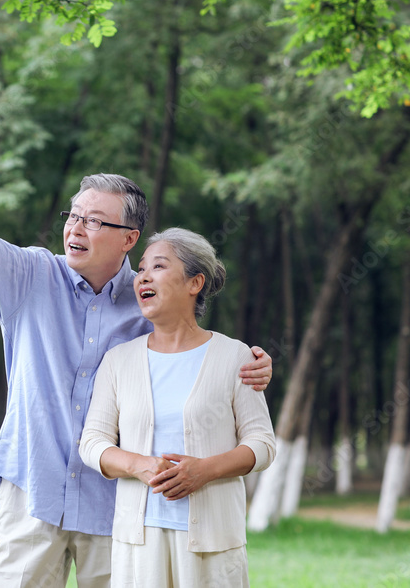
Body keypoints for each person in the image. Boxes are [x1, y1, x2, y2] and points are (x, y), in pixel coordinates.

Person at [0, 146, 273, 587]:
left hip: (115, 504)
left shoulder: (147, 306)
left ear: (129, 238)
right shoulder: (28, 277)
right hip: (32, 492)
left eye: (95, 221)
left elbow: (193, 355)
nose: (76, 228)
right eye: (73, 215)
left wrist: (250, 363)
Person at [79, 228, 276, 587]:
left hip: (213, 543)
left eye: (158, 266)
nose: (143, 277)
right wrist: (139, 466)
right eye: (141, 269)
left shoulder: (236, 356)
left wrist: (204, 470)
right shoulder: (118, 361)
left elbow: (262, 444)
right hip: (138, 541)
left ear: (194, 283)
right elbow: (92, 442)